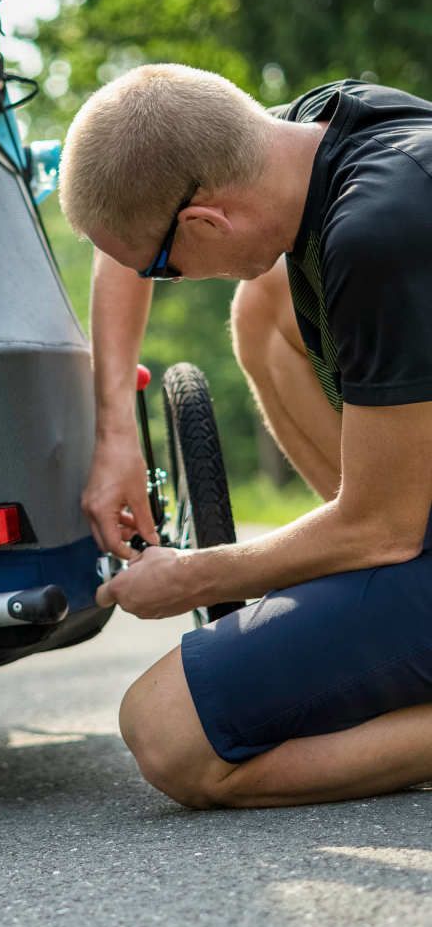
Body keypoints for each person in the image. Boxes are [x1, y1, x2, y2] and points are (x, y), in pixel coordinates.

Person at [59, 65, 432, 808]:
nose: (170, 278)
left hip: (392, 528)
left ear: (205, 222)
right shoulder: (326, 126)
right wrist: (116, 432)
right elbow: (132, 209)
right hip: (402, 521)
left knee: (166, 731)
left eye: (164, 270)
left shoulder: (376, 238)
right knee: (265, 303)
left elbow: (382, 529)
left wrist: (195, 575)